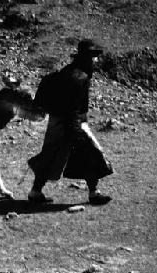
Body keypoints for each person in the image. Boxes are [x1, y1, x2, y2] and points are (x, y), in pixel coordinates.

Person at [27, 39, 113, 205]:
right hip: (71, 122)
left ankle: (35, 191)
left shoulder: (70, 72)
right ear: (87, 58)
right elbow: (72, 107)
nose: (96, 60)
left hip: (59, 120)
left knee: (51, 154)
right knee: (91, 151)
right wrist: (76, 130)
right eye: (94, 56)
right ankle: (94, 193)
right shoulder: (79, 77)